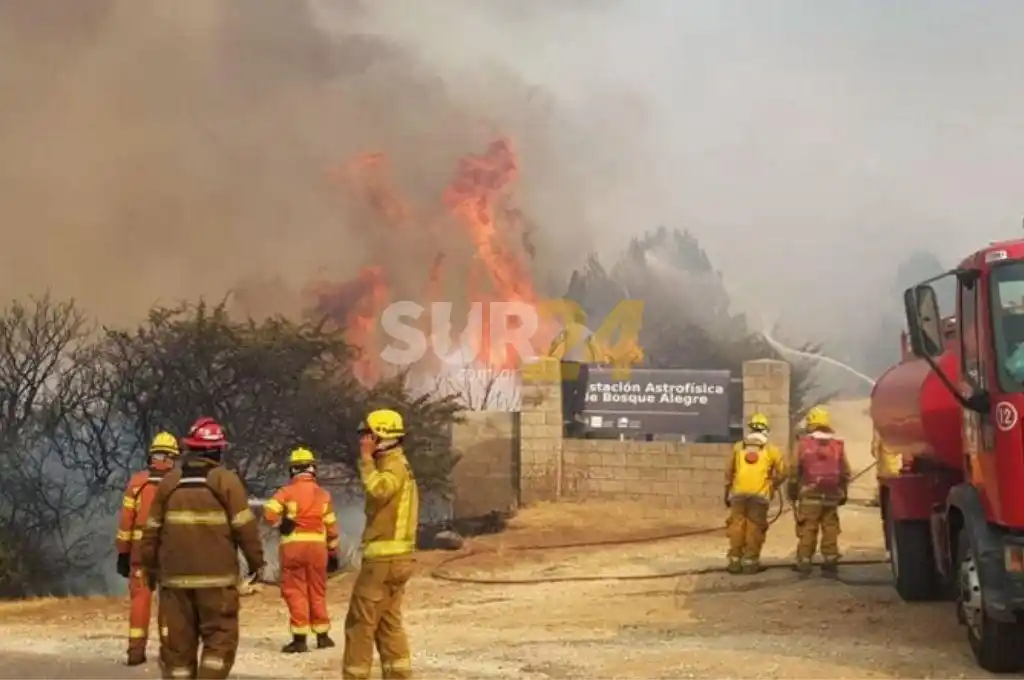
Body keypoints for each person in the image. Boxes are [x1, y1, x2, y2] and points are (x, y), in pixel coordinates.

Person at [139, 417, 265, 679]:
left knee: (177, 653)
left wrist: (150, 571)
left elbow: (150, 533)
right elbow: (246, 529)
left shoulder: (169, 483)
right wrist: (257, 565)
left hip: (174, 585)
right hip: (217, 585)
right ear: (217, 450)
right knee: (219, 642)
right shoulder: (226, 481)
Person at [343, 409, 419, 680]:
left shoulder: (392, 466)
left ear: (380, 437)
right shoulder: (399, 463)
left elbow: (378, 489)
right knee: (388, 624)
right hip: (397, 560)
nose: (363, 440)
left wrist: (365, 460)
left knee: (359, 624)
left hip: (383, 561)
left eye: (367, 435)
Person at [262, 446, 342, 654]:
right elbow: (331, 528)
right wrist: (332, 553)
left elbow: (269, 513)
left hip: (293, 549)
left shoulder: (286, 492)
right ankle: (323, 636)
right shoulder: (323, 495)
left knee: (295, 591)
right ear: (313, 469)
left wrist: (283, 522)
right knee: (317, 590)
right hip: (318, 549)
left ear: (292, 470)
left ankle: (299, 639)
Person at [115, 431, 180, 666]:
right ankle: (170, 651)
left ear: (151, 456)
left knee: (140, 600)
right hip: (169, 551)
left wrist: (123, 552)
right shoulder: (178, 482)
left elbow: (125, 523)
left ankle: (135, 652)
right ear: (173, 457)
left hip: (140, 552)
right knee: (170, 602)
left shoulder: (137, 483)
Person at [787, 406, 851, 576]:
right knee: (830, 527)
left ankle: (805, 561)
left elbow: (793, 469)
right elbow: (845, 471)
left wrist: (792, 490)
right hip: (831, 495)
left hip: (809, 495)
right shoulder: (837, 445)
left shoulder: (803, 444)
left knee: (808, 527)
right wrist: (843, 491)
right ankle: (830, 560)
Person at [724, 413, 784, 574]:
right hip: (759, 497)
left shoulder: (738, 447)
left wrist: (726, 493)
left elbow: (729, 472)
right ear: (766, 430)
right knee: (754, 529)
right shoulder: (771, 450)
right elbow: (783, 472)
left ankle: (735, 561)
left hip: (738, 495)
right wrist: (773, 485)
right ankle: (750, 562)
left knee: (736, 527)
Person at [868, 428, 902, 507]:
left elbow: (874, 447)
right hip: (898, 466)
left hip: (885, 465)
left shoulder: (879, 427)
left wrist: (877, 457)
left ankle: (880, 499)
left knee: (884, 483)